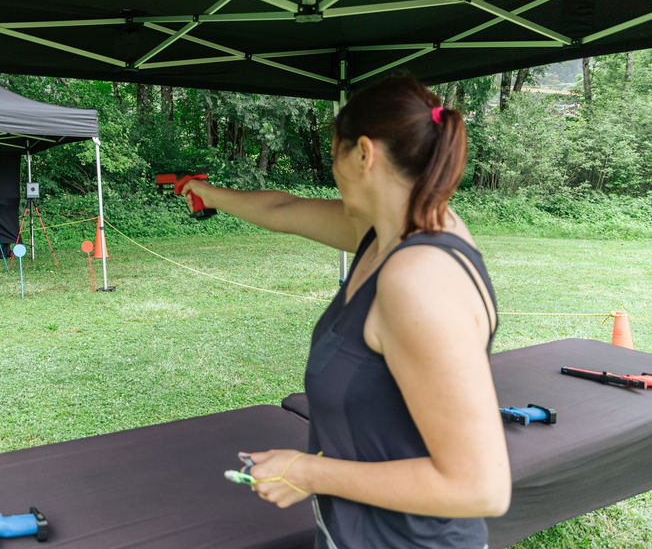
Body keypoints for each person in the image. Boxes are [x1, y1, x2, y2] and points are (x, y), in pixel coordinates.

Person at [181, 77, 510, 548]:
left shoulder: (418, 279)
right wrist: (208, 193)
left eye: (334, 154)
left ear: (363, 154)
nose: (332, 171)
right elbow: (282, 208)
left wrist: (308, 472)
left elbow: (480, 487)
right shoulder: (388, 232)